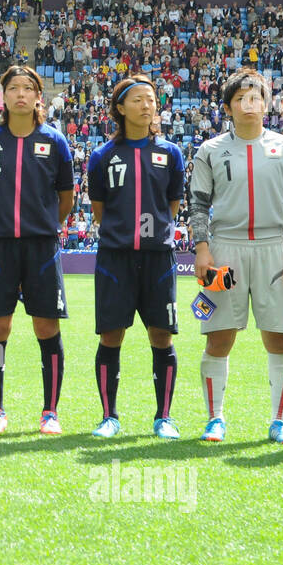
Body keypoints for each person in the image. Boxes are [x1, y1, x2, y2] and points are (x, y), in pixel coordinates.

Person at [188, 68, 283, 444]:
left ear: (266, 104)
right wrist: (202, 249)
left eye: (255, 97)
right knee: (219, 337)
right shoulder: (210, 150)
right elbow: (198, 204)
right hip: (226, 247)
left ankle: (279, 421)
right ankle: (215, 419)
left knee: (279, 338)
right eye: (240, 98)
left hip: (275, 248)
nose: (248, 104)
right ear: (228, 106)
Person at [0, 66, 75, 434]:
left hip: (41, 246)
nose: (20, 94)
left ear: (37, 97)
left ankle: (50, 412)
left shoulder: (55, 141)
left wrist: (41, 223)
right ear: (3, 96)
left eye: (27, 88)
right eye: (12, 88)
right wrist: (2, 222)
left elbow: (66, 199)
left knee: (46, 327)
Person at [86, 75, 186, 440]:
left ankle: (164, 417)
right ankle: (109, 416)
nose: (147, 105)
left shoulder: (171, 153)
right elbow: (99, 210)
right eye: (139, 99)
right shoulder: (102, 156)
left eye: (152, 100)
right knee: (111, 336)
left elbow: (171, 205)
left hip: (158, 256)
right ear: (120, 108)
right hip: (115, 257)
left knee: (162, 336)